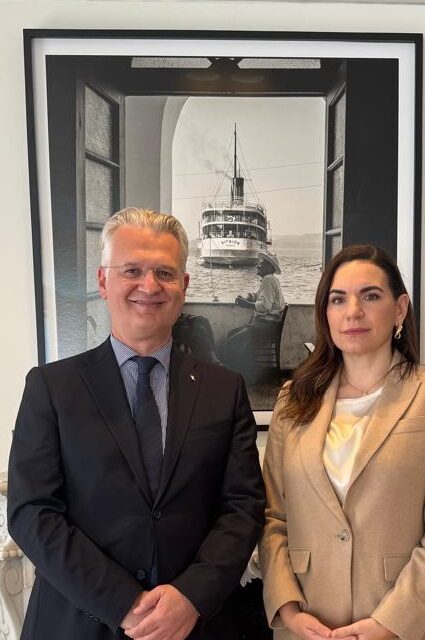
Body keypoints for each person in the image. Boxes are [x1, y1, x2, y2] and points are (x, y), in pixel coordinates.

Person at [8, 207, 265, 640]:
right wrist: (123, 603)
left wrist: (191, 597)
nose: (149, 286)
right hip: (79, 623)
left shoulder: (225, 389)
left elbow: (243, 506)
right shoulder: (51, 387)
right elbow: (32, 511)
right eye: (132, 270)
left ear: (183, 286)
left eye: (165, 273)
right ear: (103, 281)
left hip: (197, 625)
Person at [259, 244, 425, 640]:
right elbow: (275, 517)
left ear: (400, 308)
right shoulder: (293, 400)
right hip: (308, 624)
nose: (353, 311)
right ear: (326, 312)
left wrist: (390, 622)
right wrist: (287, 607)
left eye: (370, 296)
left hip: (406, 625)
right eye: (338, 299)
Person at [226, 252, 285, 381]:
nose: (258, 266)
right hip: (266, 326)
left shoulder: (268, 279)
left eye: (261, 263)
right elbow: (258, 295)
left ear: (269, 267)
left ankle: (244, 375)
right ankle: (244, 373)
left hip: (266, 326)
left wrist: (246, 304)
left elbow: (265, 306)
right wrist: (248, 297)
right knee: (232, 334)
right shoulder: (270, 279)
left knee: (234, 339)